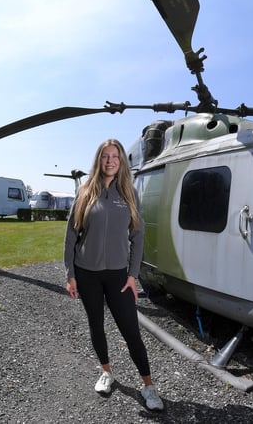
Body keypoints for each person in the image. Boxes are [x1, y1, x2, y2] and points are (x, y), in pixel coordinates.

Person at [63, 139, 164, 411]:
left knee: (131, 331)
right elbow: (71, 235)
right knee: (96, 324)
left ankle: (149, 386)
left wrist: (132, 275)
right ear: (99, 160)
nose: (110, 161)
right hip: (87, 274)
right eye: (105, 156)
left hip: (119, 276)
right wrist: (70, 273)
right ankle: (106, 372)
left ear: (121, 162)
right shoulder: (85, 191)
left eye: (115, 157)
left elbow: (138, 236)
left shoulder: (129, 193)